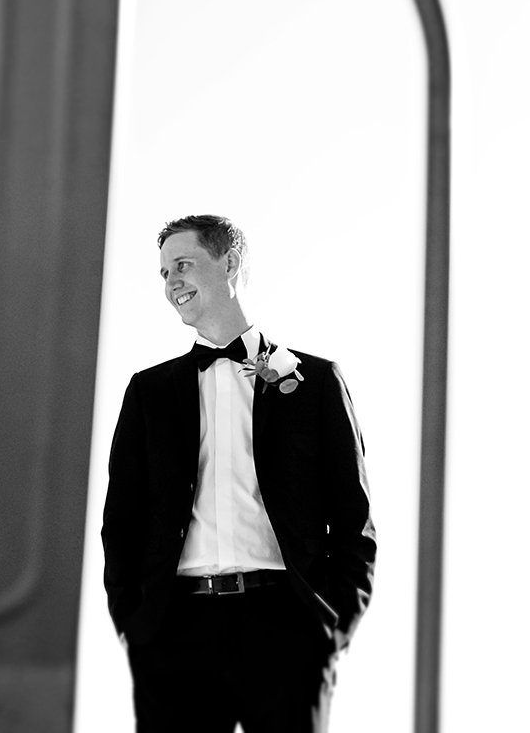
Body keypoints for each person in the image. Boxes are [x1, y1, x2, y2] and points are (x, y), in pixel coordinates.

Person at [101, 214, 375, 732]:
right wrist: (135, 628)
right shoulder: (148, 393)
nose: (171, 282)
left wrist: (332, 625)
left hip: (288, 626)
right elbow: (123, 522)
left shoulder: (315, 383)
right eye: (163, 273)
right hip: (174, 631)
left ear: (228, 263)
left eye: (183, 265)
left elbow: (353, 518)